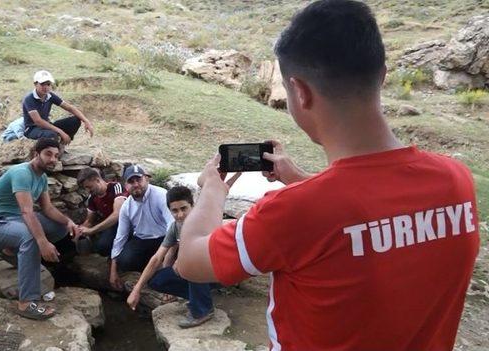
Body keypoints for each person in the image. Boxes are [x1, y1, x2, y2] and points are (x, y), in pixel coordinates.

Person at [175, 1, 480, 350]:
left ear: (300, 92)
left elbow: (191, 261)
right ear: (381, 74)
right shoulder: (456, 180)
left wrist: (213, 189)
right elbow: (369, 212)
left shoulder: (293, 211)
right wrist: (301, 179)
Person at [0, 138, 82, 320]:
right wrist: (42, 243)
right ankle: (26, 303)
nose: (52, 159)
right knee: (32, 237)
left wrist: (69, 223)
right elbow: (27, 212)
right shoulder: (22, 173)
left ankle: (10, 252)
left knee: (60, 226)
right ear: (36, 154)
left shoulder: (41, 177)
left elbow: (48, 209)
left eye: (56, 156)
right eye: (48, 154)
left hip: (15, 222)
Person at [127, 186, 221, 328]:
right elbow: (157, 258)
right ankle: (200, 297)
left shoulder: (203, 222)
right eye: (175, 211)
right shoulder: (175, 227)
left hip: (217, 270)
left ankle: (203, 310)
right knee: (156, 280)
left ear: (192, 206)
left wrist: (181, 261)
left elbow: (208, 253)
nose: (180, 215)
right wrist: (137, 289)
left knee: (190, 263)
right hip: (196, 271)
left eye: (184, 208)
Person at [109, 164, 174, 290]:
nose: (136, 184)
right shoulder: (126, 206)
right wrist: (113, 271)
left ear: (146, 179)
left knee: (170, 258)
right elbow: (120, 237)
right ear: (125, 185)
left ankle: (157, 269)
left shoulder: (161, 195)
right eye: (131, 181)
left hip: (163, 239)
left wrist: (166, 257)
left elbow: (172, 226)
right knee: (124, 260)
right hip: (141, 240)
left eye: (139, 179)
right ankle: (149, 269)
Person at [23, 70, 94, 145]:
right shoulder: (29, 99)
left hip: (46, 126)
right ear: (35, 84)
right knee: (52, 135)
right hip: (32, 129)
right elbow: (38, 121)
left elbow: (70, 108)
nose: (46, 87)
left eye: (48, 84)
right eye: (42, 84)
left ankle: (62, 144)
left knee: (75, 120)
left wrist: (86, 121)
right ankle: (54, 149)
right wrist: (61, 132)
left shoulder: (50, 96)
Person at [77, 167, 129, 256]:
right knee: (101, 247)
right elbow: (89, 221)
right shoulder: (92, 198)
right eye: (85, 188)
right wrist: (79, 231)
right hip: (112, 226)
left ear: (97, 180)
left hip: (128, 223)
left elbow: (117, 215)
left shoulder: (116, 187)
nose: (88, 190)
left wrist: (92, 230)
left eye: (89, 187)